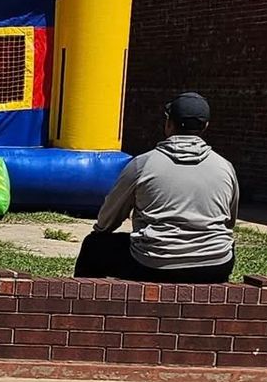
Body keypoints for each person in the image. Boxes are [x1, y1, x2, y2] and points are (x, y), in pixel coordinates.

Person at [75, 92, 238, 284]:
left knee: (94, 245)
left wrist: (101, 229)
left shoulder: (143, 164)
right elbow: (229, 221)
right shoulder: (225, 167)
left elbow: (107, 221)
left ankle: (89, 309)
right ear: (205, 126)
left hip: (154, 263)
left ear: (169, 124)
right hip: (215, 264)